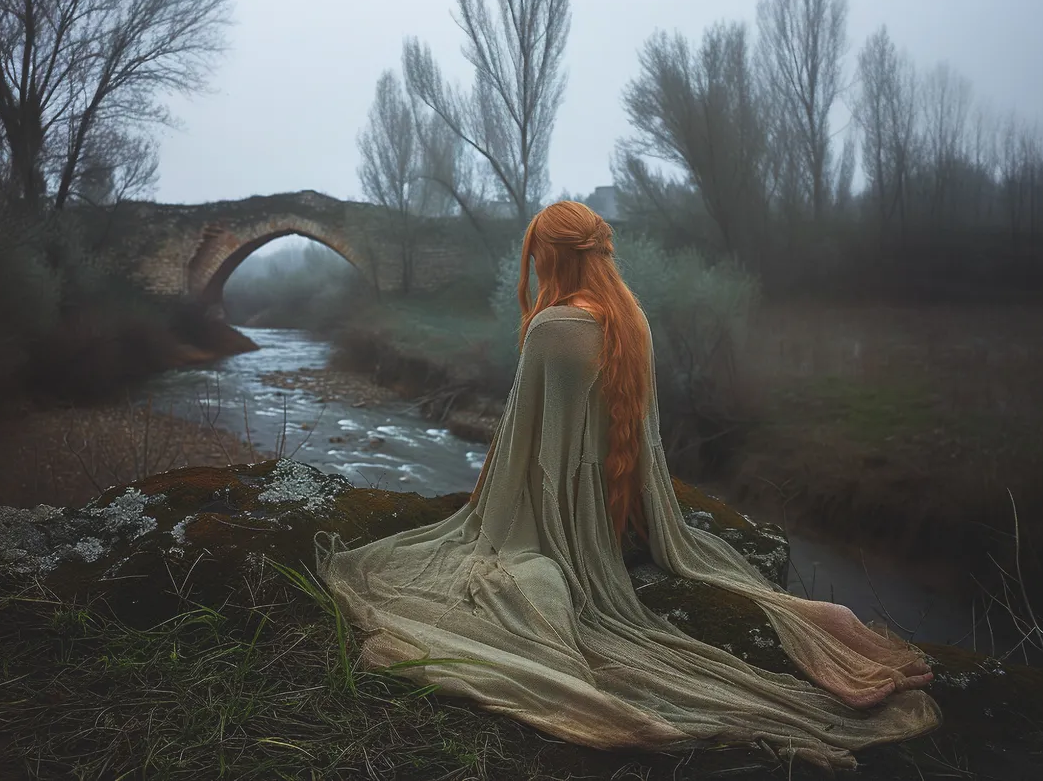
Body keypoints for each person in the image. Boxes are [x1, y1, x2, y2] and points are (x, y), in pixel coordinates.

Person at [314, 200, 941, 770]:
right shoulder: (629, 317)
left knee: (474, 573)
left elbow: (526, 445)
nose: (534, 271)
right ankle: (828, 620)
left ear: (554, 257)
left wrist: (489, 514)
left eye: (539, 260)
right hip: (629, 522)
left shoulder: (556, 327)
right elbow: (635, 442)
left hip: (578, 532)